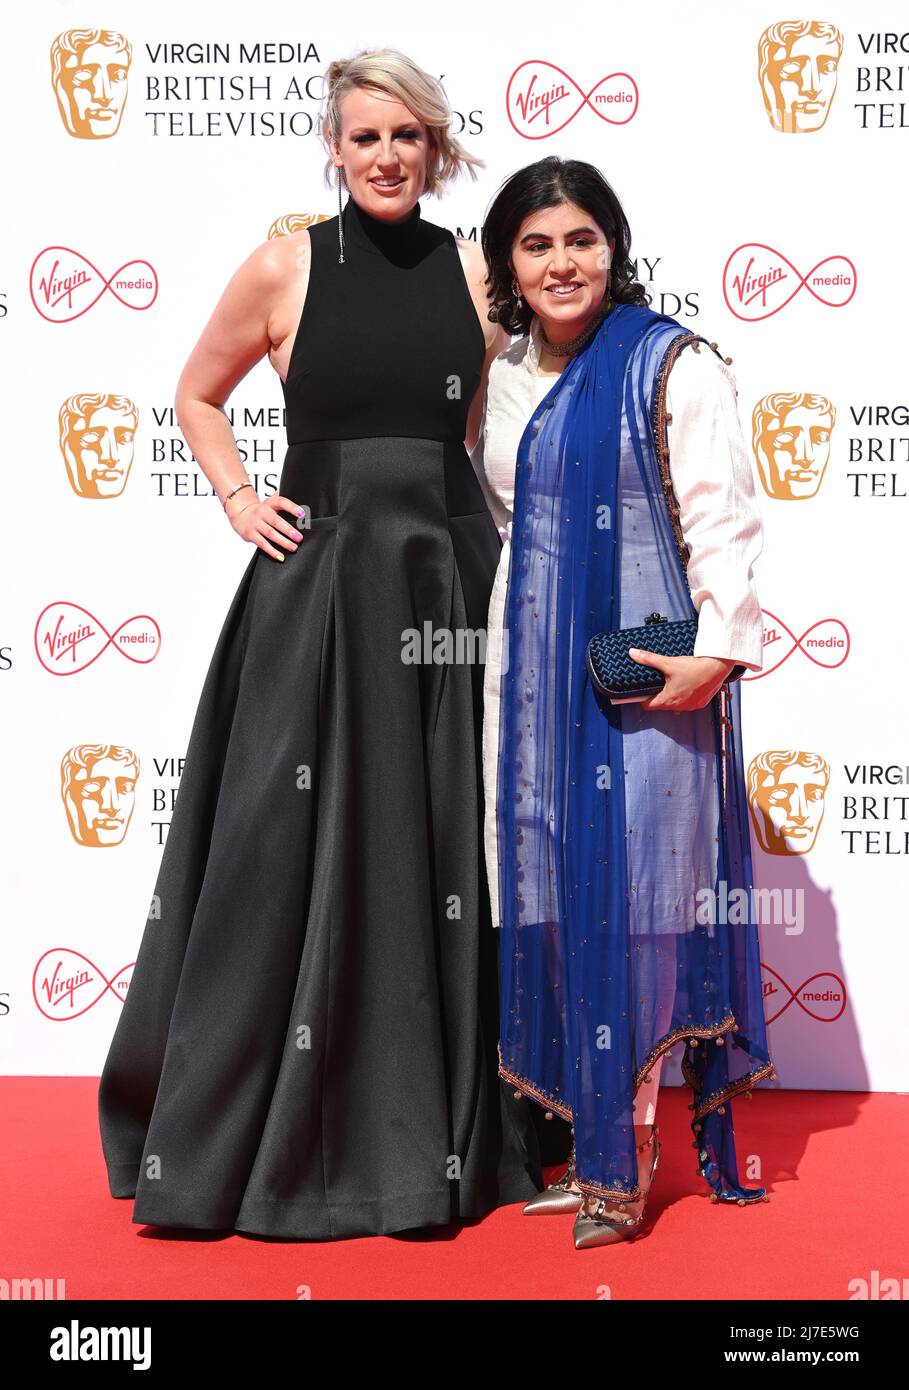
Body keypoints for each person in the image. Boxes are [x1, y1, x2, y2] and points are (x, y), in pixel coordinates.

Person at [97, 48, 544, 1241]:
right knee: (273, 850)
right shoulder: (286, 263)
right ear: (333, 150)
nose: (388, 156)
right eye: (365, 138)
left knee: (443, 843)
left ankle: (436, 1131)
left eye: (408, 136)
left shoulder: (472, 270)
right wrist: (243, 496)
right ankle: (259, 1138)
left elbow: (488, 432)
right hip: (320, 584)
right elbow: (196, 391)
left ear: (437, 149)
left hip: (447, 580)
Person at [471, 157, 776, 1250]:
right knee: (556, 898)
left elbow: (724, 524)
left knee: (637, 906)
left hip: (644, 675)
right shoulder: (501, 371)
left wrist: (717, 656)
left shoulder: (670, 364)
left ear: (616, 246)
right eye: (537, 244)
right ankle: (592, 1133)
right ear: (507, 261)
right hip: (533, 680)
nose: (563, 263)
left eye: (582, 240)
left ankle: (623, 1156)